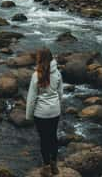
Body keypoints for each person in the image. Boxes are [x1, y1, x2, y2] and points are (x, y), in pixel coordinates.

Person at [26, 48, 63, 176]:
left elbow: (32, 98)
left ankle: (46, 166)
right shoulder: (57, 73)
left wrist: (29, 115)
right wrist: (57, 105)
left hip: (41, 113)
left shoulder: (36, 75)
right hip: (54, 111)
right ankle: (54, 164)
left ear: (40, 58)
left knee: (44, 139)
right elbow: (60, 93)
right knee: (53, 137)